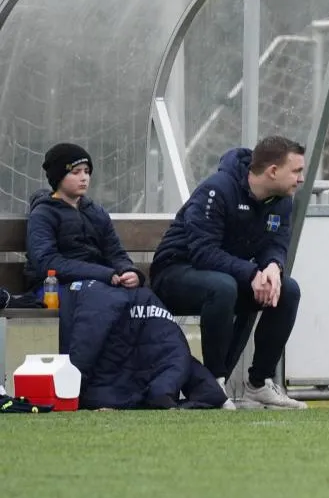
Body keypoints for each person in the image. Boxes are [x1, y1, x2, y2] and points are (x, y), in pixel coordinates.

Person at [150, 135, 308, 410]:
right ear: (273, 171)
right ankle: (213, 385)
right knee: (224, 287)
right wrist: (251, 273)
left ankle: (258, 384)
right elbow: (203, 252)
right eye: (296, 171)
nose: (301, 179)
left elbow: (276, 243)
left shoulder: (282, 200)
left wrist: (273, 267)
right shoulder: (217, 189)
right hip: (175, 272)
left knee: (288, 290)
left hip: (227, 276)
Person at [25, 143, 144, 293]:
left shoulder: (96, 212)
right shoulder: (43, 214)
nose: (84, 178)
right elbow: (47, 261)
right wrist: (102, 273)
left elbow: (115, 252)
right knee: (105, 298)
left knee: (144, 297)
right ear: (58, 177)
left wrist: (129, 271)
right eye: (76, 172)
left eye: (87, 172)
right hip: (55, 287)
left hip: (99, 283)